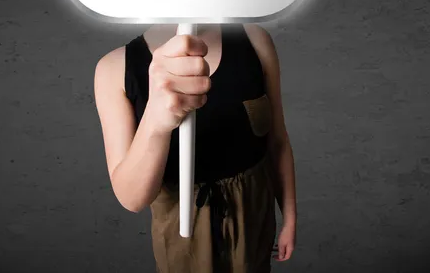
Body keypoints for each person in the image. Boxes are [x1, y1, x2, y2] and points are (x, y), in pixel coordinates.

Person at [94, 23, 297, 272]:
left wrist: (289, 218)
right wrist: (155, 123)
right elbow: (132, 199)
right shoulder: (115, 68)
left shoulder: (254, 39)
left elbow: (277, 141)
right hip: (180, 231)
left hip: (253, 219)